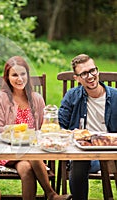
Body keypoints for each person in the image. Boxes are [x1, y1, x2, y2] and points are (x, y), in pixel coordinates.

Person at [0, 56, 71, 200]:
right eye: (14, 75)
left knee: (26, 166)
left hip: (31, 153)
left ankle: (50, 194)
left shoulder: (37, 99)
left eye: (23, 74)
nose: (19, 78)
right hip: (6, 151)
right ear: (7, 77)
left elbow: (43, 130)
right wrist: (17, 133)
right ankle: (51, 194)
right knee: (30, 153)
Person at [58, 54, 117, 200]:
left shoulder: (115, 96)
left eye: (92, 70)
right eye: (84, 73)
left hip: (111, 152)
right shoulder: (72, 96)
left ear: (97, 70)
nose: (90, 76)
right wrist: (73, 134)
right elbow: (59, 126)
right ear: (76, 78)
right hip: (82, 151)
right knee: (79, 161)